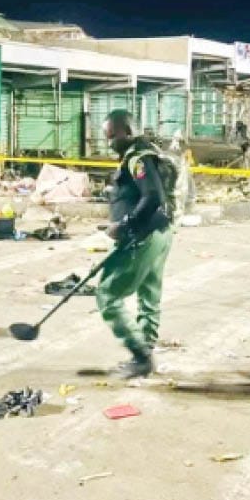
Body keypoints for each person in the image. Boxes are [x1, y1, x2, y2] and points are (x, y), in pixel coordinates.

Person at [98, 109, 173, 378]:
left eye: (112, 136)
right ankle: (146, 354)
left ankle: (140, 356)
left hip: (143, 236)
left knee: (107, 294)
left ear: (128, 131)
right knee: (148, 295)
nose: (109, 143)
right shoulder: (145, 153)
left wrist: (124, 225)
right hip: (160, 233)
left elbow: (153, 196)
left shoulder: (138, 158)